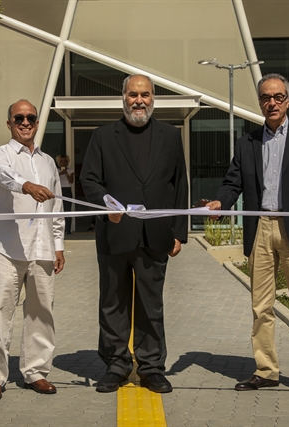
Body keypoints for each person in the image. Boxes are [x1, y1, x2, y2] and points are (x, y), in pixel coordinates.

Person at [206, 73, 289, 399]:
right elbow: (233, 183)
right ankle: (267, 371)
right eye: (265, 97)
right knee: (261, 306)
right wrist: (221, 202)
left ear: (287, 101)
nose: (271, 102)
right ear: (260, 102)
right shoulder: (247, 143)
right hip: (260, 228)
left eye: (277, 97)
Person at [80, 74, 188, 394]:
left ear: (154, 97)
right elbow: (89, 180)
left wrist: (179, 232)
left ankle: (151, 366)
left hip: (155, 235)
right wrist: (105, 204)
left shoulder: (170, 135)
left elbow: (179, 183)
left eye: (145, 94)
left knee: (150, 303)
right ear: (122, 97)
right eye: (132, 95)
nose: (138, 100)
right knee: (113, 302)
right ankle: (116, 364)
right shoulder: (102, 136)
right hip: (114, 234)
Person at [0, 99, 65, 400]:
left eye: (31, 117)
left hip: (41, 248)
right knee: (0, 313)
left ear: (38, 122)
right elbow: (2, 176)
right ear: (9, 123)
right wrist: (27, 186)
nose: (25, 122)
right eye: (19, 118)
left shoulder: (48, 162)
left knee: (42, 313)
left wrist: (58, 245)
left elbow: (57, 207)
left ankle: (36, 372)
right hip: (6, 248)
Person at [56, 154, 75, 234]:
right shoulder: (56, 170)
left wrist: (66, 174)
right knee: (59, 210)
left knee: (67, 210)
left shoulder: (70, 171)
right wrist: (60, 173)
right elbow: (54, 178)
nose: (63, 163)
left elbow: (71, 181)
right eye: (61, 162)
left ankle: (68, 229)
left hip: (67, 191)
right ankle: (59, 229)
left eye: (65, 162)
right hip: (59, 190)